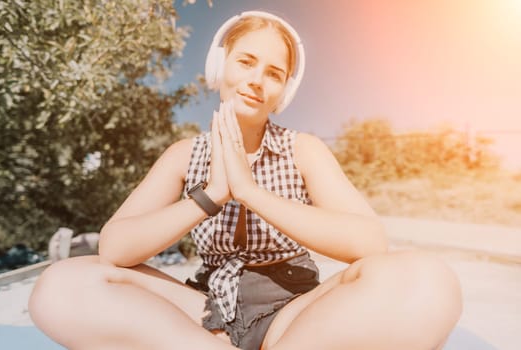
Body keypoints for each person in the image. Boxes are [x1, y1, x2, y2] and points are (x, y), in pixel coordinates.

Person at [28, 10, 462, 350]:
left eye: (274, 73)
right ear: (220, 66)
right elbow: (114, 248)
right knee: (61, 284)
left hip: (293, 315)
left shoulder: (303, 149)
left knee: (428, 279)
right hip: (203, 313)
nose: (257, 80)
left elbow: (369, 243)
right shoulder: (183, 155)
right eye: (247, 62)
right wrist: (212, 194)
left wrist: (250, 192)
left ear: (284, 90)